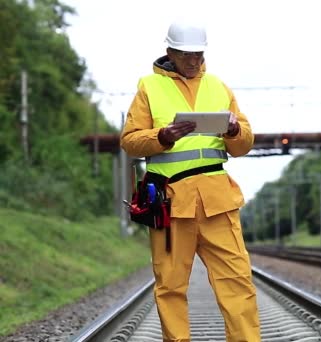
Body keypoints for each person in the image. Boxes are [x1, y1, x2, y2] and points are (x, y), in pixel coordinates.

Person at [120, 18, 261, 342]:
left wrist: (235, 131)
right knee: (170, 286)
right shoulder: (149, 88)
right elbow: (130, 141)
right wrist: (162, 136)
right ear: (170, 51)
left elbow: (244, 144)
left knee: (237, 283)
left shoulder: (219, 87)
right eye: (186, 55)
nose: (194, 61)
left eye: (198, 54)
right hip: (168, 205)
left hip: (218, 203)